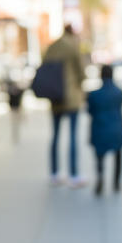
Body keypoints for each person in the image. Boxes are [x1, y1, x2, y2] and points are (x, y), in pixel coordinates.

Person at [42, 24, 86, 188]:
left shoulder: (52, 46)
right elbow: (81, 72)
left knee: (55, 136)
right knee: (73, 136)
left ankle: (54, 172)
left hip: (55, 97)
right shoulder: (73, 46)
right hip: (72, 98)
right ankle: (73, 174)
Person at [87, 64, 122, 195]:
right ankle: (116, 183)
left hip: (99, 130)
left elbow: (90, 111)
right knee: (118, 155)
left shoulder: (94, 95)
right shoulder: (119, 93)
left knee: (99, 157)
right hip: (117, 130)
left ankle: (100, 178)